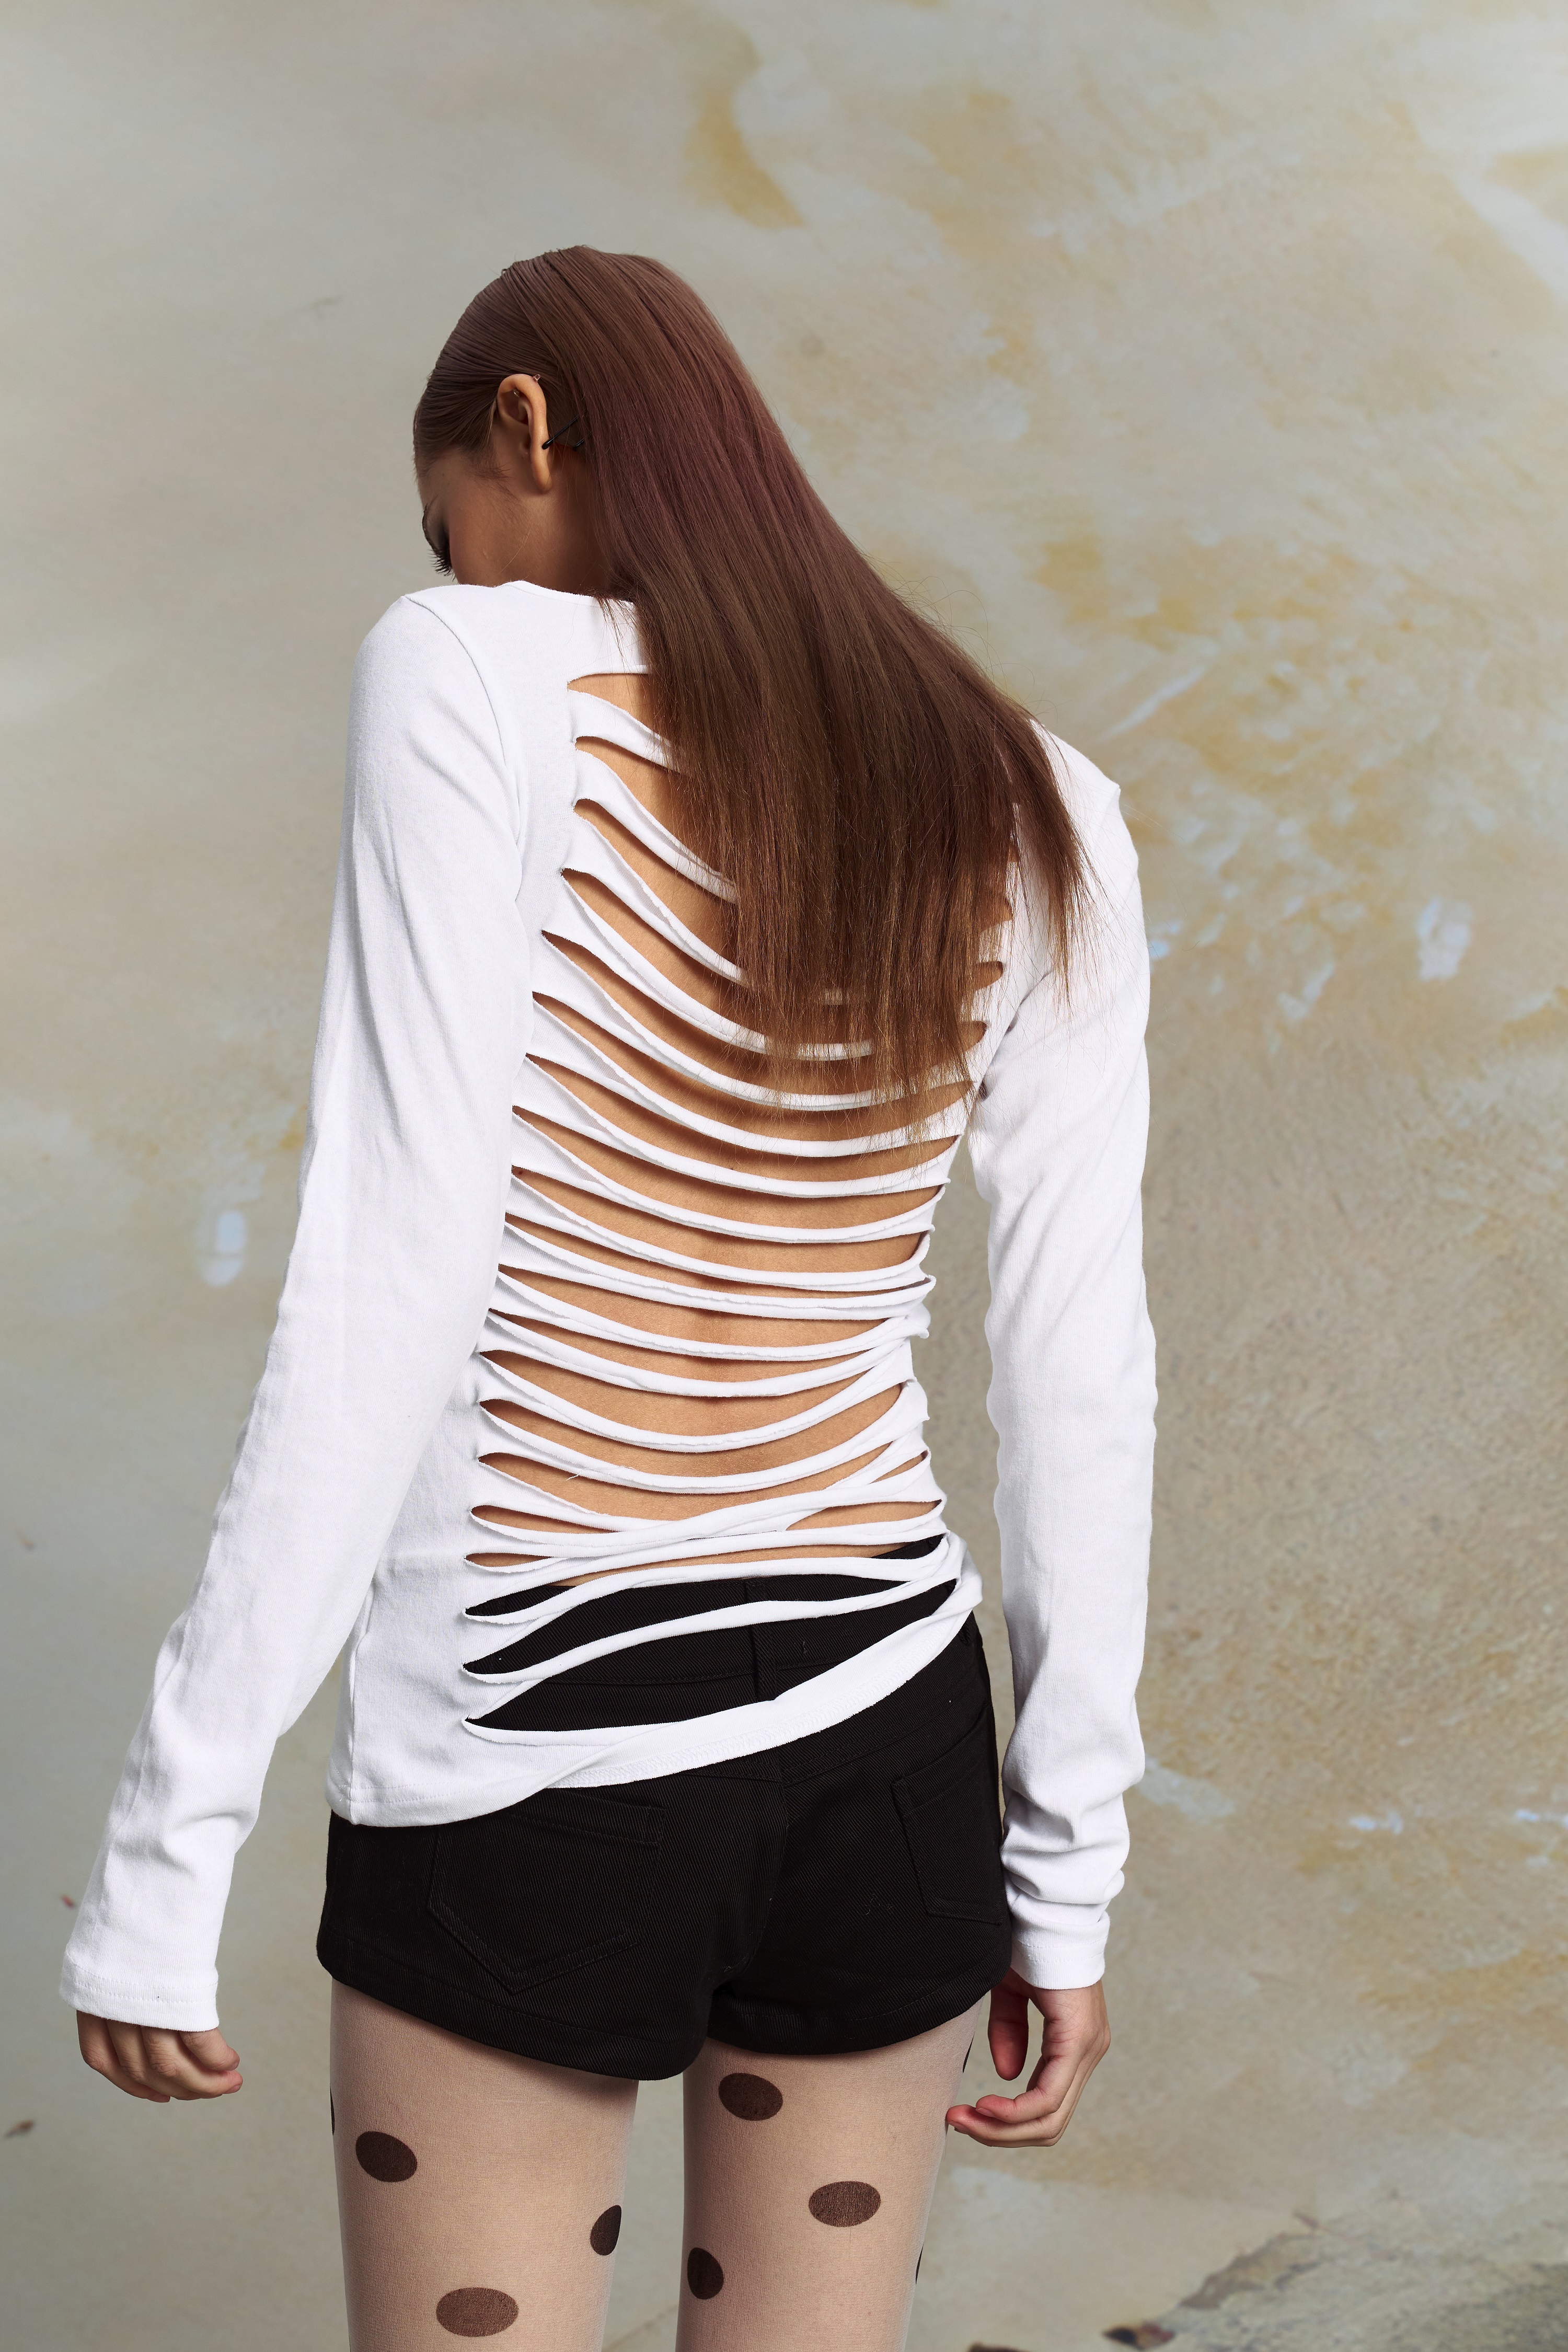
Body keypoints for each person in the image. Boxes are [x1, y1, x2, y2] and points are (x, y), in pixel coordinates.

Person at [62, 247, 1156, 2350]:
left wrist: (167, 1850)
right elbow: (1077, 1375)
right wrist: (1067, 1875)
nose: (460, 572)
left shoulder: (472, 672)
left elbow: (388, 1266)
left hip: (535, 1757)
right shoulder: (1039, 799)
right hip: (893, 1748)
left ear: (530, 427)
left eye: (450, 519)